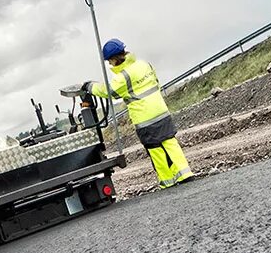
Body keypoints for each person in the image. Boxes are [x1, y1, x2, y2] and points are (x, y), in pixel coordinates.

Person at [65, 38, 194, 189]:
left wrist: (89, 86)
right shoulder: (144, 64)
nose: (109, 64)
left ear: (113, 59)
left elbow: (109, 91)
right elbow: (154, 82)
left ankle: (167, 181)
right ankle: (185, 174)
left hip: (145, 118)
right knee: (170, 142)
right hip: (161, 110)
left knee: (155, 149)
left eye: (109, 62)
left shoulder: (122, 77)